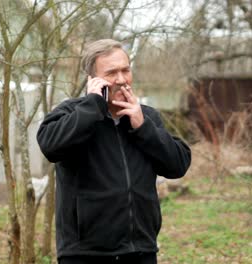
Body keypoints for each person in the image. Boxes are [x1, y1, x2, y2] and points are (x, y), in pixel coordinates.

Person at [36, 39, 191, 264]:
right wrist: (92, 106)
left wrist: (143, 127)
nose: (121, 79)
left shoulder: (146, 117)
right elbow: (50, 147)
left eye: (125, 70)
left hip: (140, 250)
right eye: (111, 73)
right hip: (84, 254)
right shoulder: (71, 113)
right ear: (93, 79)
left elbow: (178, 165)